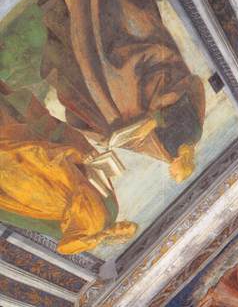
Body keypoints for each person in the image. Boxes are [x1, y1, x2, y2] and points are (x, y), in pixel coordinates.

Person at [29, 0, 205, 183]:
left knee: (86, 39)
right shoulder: (192, 134)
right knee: (111, 15)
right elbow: (183, 91)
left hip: (126, 89)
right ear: (181, 166)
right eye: (174, 171)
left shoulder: (167, 150)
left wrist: (120, 136)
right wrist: (151, 117)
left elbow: (139, 139)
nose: (169, 167)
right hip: (147, 69)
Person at [0, 83, 136, 255]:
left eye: (125, 230)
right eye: (128, 225)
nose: (124, 225)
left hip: (51, 195)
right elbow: (100, 182)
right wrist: (91, 159)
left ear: (117, 237)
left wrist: (98, 237)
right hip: (67, 176)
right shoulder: (111, 211)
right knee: (25, 143)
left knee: (15, 159)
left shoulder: (90, 234)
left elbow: (64, 247)